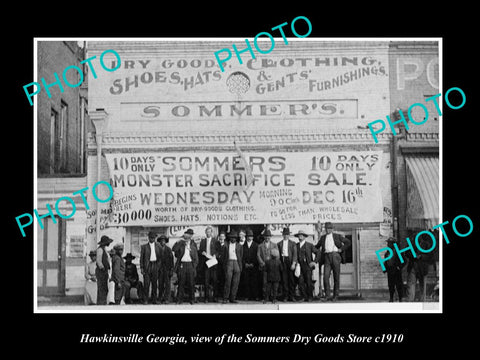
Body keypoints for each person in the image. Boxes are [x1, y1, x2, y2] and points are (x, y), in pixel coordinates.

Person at [316, 222, 351, 301]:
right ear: (325, 229)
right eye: (327, 228)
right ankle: (327, 295)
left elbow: (348, 242)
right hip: (326, 257)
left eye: (330, 228)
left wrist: (341, 249)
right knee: (325, 277)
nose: (328, 230)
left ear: (332, 229)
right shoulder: (323, 238)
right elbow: (316, 247)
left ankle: (335, 295)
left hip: (335, 256)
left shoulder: (337, 236)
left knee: (336, 276)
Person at [173, 229, 199, 304]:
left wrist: (193, 267)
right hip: (182, 264)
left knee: (191, 283)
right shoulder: (181, 243)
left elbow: (196, 258)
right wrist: (179, 241)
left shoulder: (193, 245)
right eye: (187, 235)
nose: (188, 237)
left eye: (190, 235)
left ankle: (192, 299)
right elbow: (174, 250)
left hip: (190, 264)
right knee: (181, 283)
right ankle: (179, 299)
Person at [295, 230, 319, 302]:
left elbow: (318, 252)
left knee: (308, 282)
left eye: (301, 235)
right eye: (299, 235)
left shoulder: (309, 245)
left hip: (308, 266)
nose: (300, 237)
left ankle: (310, 297)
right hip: (299, 266)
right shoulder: (296, 246)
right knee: (300, 282)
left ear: (304, 237)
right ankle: (303, 296)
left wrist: (314, 262)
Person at [140, 231, 162, 304]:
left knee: (154, 284)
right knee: (146, 284)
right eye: (151, 238)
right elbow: (141, 258)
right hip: (147, 266)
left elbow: (160, 257)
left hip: (155, 265)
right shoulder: (144, 247)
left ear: (155, 238)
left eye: (153, 238)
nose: (152, 239)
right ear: (148, 238)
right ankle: (145, 300)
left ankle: (154, 299)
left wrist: (158, 266)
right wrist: (142, 268)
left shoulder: (158, 246)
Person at [257, 229, 279, 302]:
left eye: (268, 236)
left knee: (272, 282)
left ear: (270, 237)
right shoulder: (260, 246)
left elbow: (277, 255)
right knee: (265, 282)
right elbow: (258, 255)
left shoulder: (274, 245)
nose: (267, 238)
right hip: (264, 267)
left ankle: (272, 297)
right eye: (266, 236)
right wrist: (262, 263)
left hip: (272, 268)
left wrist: (273, 262)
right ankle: (265, 297)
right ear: (264, 237)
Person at [277, 227, 298, 302]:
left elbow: (295, 254)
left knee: (291, 280)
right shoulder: (279, 244)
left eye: (287, 234)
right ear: (282, 235)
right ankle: (285, 296)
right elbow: (278, 255)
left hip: (290, 261)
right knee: (284, 280)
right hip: (283, 261)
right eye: (284, 234)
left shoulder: (293, 244)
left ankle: (291, 296)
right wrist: (280, 264)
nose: (286, 236)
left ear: (289, 235)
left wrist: (293, 263)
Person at [222, 230, 243, 304]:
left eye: (234, 238)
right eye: (231, 237)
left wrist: (240, 267)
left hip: (236, 262)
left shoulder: (239, 246)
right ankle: (225, 298)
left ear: (236, 238)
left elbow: (241, 256)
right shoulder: (226, 245)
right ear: (229, 238)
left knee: (235, 282)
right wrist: (225, 266)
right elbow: (223, 257)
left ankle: (232, 298)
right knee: (228, 281)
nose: (233, 239)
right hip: (229, 262)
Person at [199, 226, 219, 303]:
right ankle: (206, 298)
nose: (208, 233)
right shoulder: (203, 241)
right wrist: (202, 253)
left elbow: (218, 251)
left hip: (213, 262)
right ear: (205, 233)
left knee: (214, 280)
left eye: (210, 232)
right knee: (206, 281)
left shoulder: (215, 241)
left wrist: (215, 255)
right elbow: (200, 250)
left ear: (212, 233)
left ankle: (215, 297)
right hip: (206, 263)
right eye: (207, 232)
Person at [382, 237, 404, 302]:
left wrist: (399, 267)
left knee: (398, 285)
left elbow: (404, 261)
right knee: (391, 285)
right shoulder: (387, 253)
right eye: (388, 243)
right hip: (390, 270)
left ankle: (400, 298)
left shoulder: (398, 252)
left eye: (389, 243)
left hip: (396, 271)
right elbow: (386, 262)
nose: (388, 245)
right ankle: (391, 298)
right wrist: (385, 269)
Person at [241, 229, 260, 301]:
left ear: (253, 237)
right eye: (248, 236)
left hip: (254, 266)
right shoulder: (243, 246)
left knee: (254, 281)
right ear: (246, 237)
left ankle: (255, 296)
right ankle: (247, 296)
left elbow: (257, 256)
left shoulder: (256, 245)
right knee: (246, 281)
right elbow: (241, 256)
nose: (249, 238)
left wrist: (253, 264)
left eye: (251, 236)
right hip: (246, 266)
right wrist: (244, 264)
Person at [95, 235, 113, 305]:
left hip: (104, 271)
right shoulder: (100, 249)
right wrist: (103, 268)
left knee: (104, 287)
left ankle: (103, 301)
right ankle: (101, 302)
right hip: (101, 272)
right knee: (102, 288)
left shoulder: (104, 249)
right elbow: (99, 261)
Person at [157, 235, 174, 304]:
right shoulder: (157, 249)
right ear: (160, 242)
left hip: (167, 269)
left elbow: (172, 261)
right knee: (160, 284)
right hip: (160, 270)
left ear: (165, 242)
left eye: (163, 240)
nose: (162, 242)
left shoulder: (168, 249)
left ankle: (167, 298)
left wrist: (171, 270)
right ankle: (160, 298)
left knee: (167, 285)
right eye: (161, 241)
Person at [215, 231, 227, 301]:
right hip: (217, 265)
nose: (221, 238)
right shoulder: (216, 244)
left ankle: (223, 295)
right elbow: (215, 252)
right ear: (219, 237)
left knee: (224, 280)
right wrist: (217, 255)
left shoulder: (227, 245)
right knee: (217, 280)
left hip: (224, 266)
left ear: (225, 237)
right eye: (220, 236)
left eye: (223, 236)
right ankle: (217, 295)